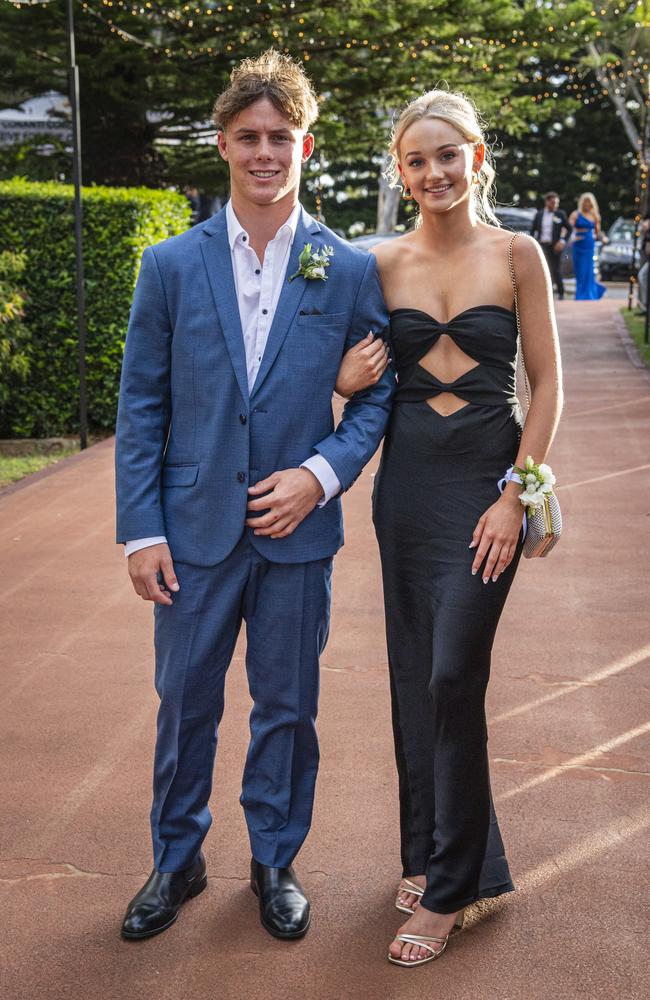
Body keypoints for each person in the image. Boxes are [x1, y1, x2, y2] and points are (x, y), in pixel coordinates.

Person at [115, 49, 393, 943]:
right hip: (191, 532)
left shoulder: (347, 268)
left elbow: (378, 394)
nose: (264, 152)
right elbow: (142, 405)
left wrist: (319, 475)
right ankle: (176, 857)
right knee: (185, 700)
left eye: (280, 136)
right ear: (223, 144)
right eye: (248, 137)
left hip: (297, 535)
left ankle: (275, 855)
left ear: (305, 144)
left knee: (288, 704)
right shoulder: (167, 264)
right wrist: (138, 531)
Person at [357, 89, 562, 967]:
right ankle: (431, 855)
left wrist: (516, 495)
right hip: (405, 492)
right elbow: (357, 380)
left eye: (448, 154)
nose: (434, 171)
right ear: (401, 174)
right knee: (412, 677)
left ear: (477, 158)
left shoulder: (519, 254)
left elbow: (548, 385)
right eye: (416, 159)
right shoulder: (378, 263)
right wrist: (341, 371)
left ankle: (450, 890)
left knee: (451, 675)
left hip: (486, 490)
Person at [530, 191, 572, 300]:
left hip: (555, 246)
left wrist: (562, 241)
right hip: (542, 245)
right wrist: (533, 243)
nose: (555, 205)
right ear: (547, 202)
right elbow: (532, 230)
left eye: (557, 203)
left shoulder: (560, 214)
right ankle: (545, 293)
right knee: (544, 269)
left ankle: (561, 293)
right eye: (553, 202)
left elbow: (569, 228)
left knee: (556, 269)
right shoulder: (539, 214)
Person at [569, 192, 606, 300]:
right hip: (578, 244)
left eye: (589, 202)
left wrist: (602, 238)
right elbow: (568, 228)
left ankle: (589, 294)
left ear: (592, 203)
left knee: (588, 270)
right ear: (582, 202)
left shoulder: (595, 215)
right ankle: (580, 294)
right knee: (579, 270)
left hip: (589, 244)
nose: (587, 204)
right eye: (585, 201)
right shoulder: (576, 214)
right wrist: (572, 237)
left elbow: (597, 232)